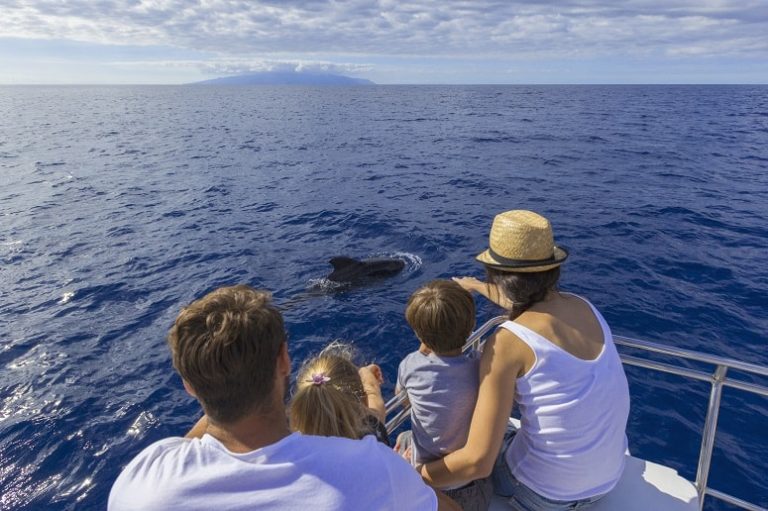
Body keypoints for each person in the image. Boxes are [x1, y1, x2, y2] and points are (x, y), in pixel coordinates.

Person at [108, 285, 459, 511]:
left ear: (188, 385)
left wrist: (213, 381)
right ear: (284, 361)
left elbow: (194, 441)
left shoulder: (141, 484)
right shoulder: (374, 468)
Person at [419, 210, 630, 511]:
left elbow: (478, 462)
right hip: (606, 482)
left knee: (468, 438)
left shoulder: (507, 342)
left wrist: (412, 474)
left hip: (544, 496)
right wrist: (478, 286)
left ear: (498, 274)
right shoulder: (584, 307)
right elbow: (531, 304)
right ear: (551, 269)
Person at [396, 280, 493, 511]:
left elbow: (403, 401)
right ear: (471, 327)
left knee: (403, 438)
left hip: (429, 490)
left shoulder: (410, 365)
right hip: (475, 488)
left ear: (420, 335)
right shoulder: (481, 365)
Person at [290, 341, 390, 446]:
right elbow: (374, 395)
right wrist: (365, 371)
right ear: (362, 402)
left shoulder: (294, 455)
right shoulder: (372, 436)